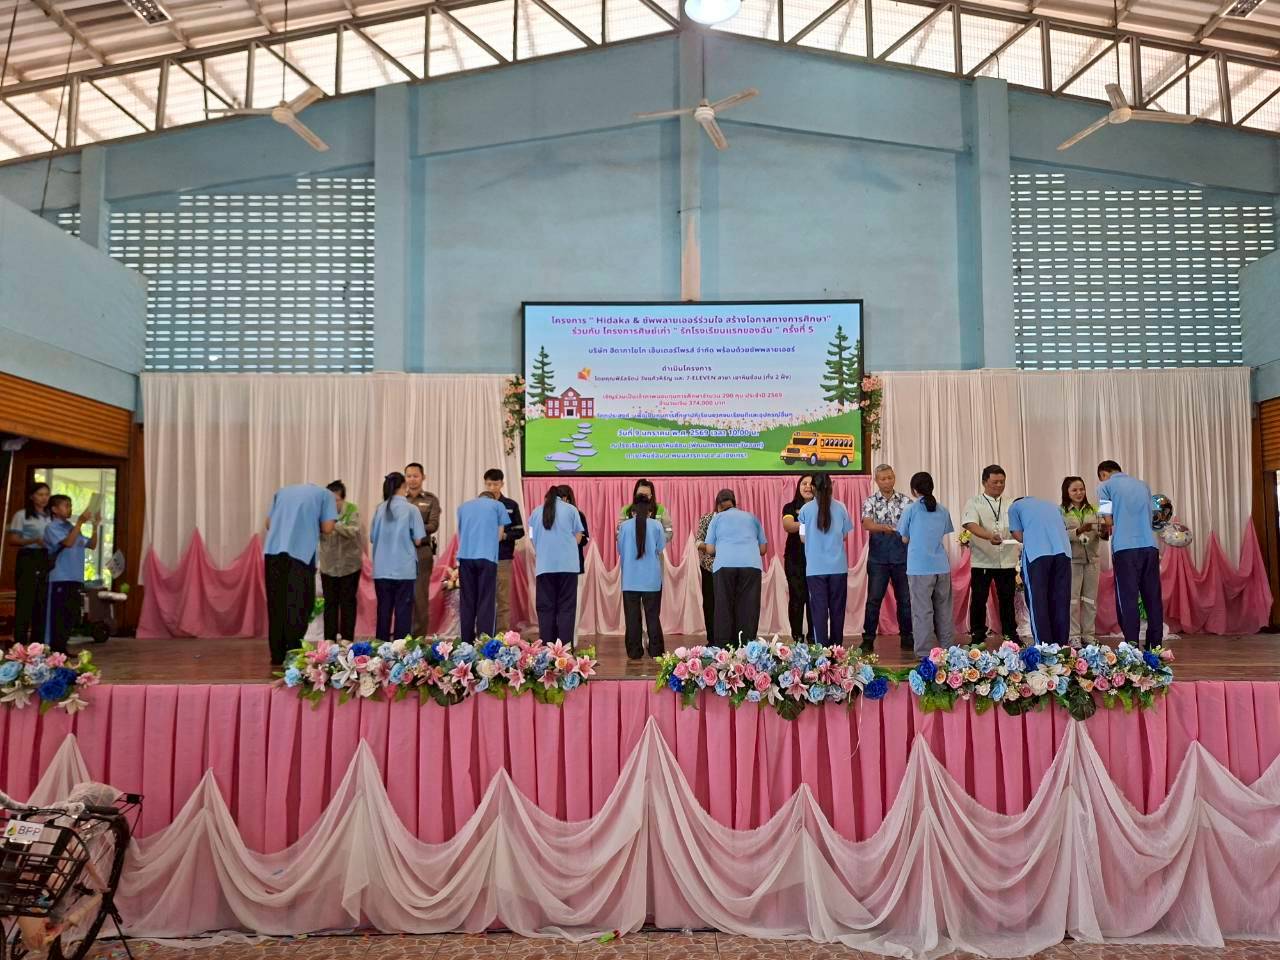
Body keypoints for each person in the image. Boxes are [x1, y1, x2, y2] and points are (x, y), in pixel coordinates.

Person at [263, 482, 338, 664]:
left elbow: (268, 523)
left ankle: (277, 654)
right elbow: (328, 527)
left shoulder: (281, 492)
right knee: (299, 605)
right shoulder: (326, 495)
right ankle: (293, 652)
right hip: (300, 554)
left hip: (272, 553)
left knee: (276, 605)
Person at [1097, 459, 1163, 649]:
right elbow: (1154, 516)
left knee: (1128, 598)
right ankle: (1155, 645)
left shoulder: (1104, 487)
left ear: (1103, 474)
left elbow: (1108, 520)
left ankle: (1132, 646)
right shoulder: (1143, 485)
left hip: (1125, 548)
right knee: (1153, 598)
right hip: (1150, 546)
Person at [897, 472, 955, 659]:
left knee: (922, 612)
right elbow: (942, 532)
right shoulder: (943, 510)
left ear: (914, 490)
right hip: (942, 566)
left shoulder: (910, 510)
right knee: (944, 611)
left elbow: (904, 538)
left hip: (919, 568)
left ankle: (924, 654)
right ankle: (949, 651)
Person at [961, 464, 1019, 643]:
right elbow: (970, 524)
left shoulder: (1011, 503)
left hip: (1007, 559)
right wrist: (988, 536)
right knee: (979, 599)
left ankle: (1010, 634)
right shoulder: (974, 502)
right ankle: (977, 634)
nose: (999, 485)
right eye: (995, 482)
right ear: (984, 482)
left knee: (1007, 599)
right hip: (983, 560)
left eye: (1002, 482)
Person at [860, 464, 914, 651]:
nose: (887, 481)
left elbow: (913, 525)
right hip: (878, 558)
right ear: (876, 481)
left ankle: (907, 637)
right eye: (883, 479)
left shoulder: (906, 501)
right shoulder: (870, 501)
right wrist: (883, 528)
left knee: (905, 600)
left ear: (894, 477)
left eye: (890, 477)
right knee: (874, 600)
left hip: (902, 557)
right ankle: (868, 639)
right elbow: (867, 524)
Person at [703, 489, 767, 646]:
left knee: (723, 607)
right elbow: (763, 549)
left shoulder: (716, 519)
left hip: (724, 565)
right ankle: (747, 647)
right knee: (748, 607)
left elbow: (710, 549)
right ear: (734, 503)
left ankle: (724, 649)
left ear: (718, 506)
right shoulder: (751, 517)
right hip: (751, 565)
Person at [370, 472, 427, 644]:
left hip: (381, 568)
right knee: (403, 613)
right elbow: (418, 540)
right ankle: (401, 650)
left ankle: (380, 648)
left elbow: (372, 537)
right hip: (404, 569)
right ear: (403, 486)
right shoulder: (411, 509)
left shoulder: (379, 509)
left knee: (383, 611)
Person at [1009, 496, 1073, 648]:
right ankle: (1061, 646)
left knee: (1038, 601)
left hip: (1037, 554)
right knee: (1061, 601)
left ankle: (1044, 646)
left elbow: (1018, 535)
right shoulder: (1052, 505)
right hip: (1063, 552)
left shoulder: (1015, 507)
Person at [798, 474, 852, 645]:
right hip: (838, 567)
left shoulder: (805, 509)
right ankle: (837, 649)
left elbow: (802, 538)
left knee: (819, 611)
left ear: (813, 487)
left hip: (815, 569)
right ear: (831, 485)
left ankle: (821, 649)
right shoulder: (841, 507)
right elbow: (844, 535)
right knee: (837, 610)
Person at [42, 495, 99, 654]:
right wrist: (80, 522)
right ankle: (53, 650)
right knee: (58, 616)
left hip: (75, 577)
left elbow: (92, 545)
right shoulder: (52, 527)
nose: (70, 509)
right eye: (66, 505)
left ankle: (62, 650)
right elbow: (67, 543)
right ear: (54, 509)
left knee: (70, 615)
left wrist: (95, 526)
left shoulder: (70, 527)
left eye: (70, 505)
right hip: (59, 578)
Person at [529, 486, 584, 645]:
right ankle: (564, 650)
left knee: (545, 608)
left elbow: (532, 538)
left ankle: (547, 649)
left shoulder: (535, 512)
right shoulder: (571, 510)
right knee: (567, 608)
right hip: (568, 567)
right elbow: (578, 537)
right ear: (562, 497)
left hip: (544, 567)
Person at [456, 489, 511, 643]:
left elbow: (460, 533)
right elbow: (499, 535)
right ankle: (484, 642)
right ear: (492, 499)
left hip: (465, 557)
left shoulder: (463, 507)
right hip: (487, 557)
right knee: (486, 601)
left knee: (467, 601)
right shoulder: (498, 505)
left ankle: (466, 642)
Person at [618, 495, 666, 660]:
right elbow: (660, 548)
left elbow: (620, 549)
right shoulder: (657, 525)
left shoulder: (624, 527)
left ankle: (634, 651)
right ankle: (656, 650)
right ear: (649, 511)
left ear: (633, 511)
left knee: (632, 617)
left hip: (630, 579)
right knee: (652, 616)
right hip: (652, 579)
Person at [317, 480, 362, 642]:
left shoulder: (352, 509)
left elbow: (353, 531)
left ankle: (347, 639)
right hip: (328, 566)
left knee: (348, 603)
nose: (332, 504)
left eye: (336, 500)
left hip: (350, 566)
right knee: (330, 604)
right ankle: (329, 640)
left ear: (343, 499)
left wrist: (334, 523)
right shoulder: (320, 512)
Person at [7, 482, 51, 645]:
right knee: (25, 600)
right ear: (32, 496)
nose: (44, 498)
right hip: (29, 557)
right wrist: (33, 540)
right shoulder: (22, 515)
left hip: (46, 557)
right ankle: (20, 642)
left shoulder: (50, 516)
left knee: (41, 600)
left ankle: (37, 645)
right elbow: (12, 539)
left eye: (46, 494)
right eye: (40, 494)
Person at [1061, 476, 1103, 643]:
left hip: (1092, 560)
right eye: (1074, 490)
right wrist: (1079, 530)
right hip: (1072, 562)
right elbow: (1060, 535)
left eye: (1082, 489)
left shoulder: (1094, 510)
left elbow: (1102, 533)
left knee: (1090, 600)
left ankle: (1088, 635)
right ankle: (1073, 636)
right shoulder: (1061, 511)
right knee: (1072, 600)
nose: (1079, 493)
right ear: (1067, 492)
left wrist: (1104, 531)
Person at [483, 468, 524, 632]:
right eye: (489, 484)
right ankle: (484, 634)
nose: (492, 488)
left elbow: (520, 531)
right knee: (484, 598)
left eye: (495, 484)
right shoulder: (479, 505)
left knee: (503, 599)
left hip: (503, 557)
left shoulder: (511, 505)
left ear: (502, 484)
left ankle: (502, 635)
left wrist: (505, 536)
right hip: (482, 558)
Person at [403, 463, 441, 637]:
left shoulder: (430, 499)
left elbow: (433, 525)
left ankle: (418, 638)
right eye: (409, 476)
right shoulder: (399, 499)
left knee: (420, 597)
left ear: (423, 477)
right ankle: (402, 637)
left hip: (421, 552)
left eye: (415, 476)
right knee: (402, 596)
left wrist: (411, 529)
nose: (412, 479)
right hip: (400, 552)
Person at [779, 474, 814, 642]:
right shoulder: (790, 507)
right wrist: (809, 522)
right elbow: (788, 526)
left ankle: (814, 637)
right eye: (804, 483)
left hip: (816, 560)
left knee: (814, 599)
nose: (807, 487)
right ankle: (797, 636)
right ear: (798, 487)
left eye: (811, 484)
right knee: (797, 598)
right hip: (794, 560)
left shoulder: (821, 507)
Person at [694, 497, 732, 638]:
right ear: (717, 506)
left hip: (730, 567)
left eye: (729, 508)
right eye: (723, 508)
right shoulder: (707, 518)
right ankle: (712, 637)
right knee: (710, 603)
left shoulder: (735, 520)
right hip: (709, 567)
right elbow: (698, 542)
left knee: (728, 603)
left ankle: (729, 638)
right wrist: (711, 548)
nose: (726, 511)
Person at [560, 484, 590, 644]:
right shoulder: (549, 515)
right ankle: (556, 641)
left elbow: (585, 539)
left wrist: (573, 539)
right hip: (554, 567)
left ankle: (571, 640)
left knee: (574, 604)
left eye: (562, 498)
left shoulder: (578, 514)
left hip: (575, 567)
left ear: (567, 499)